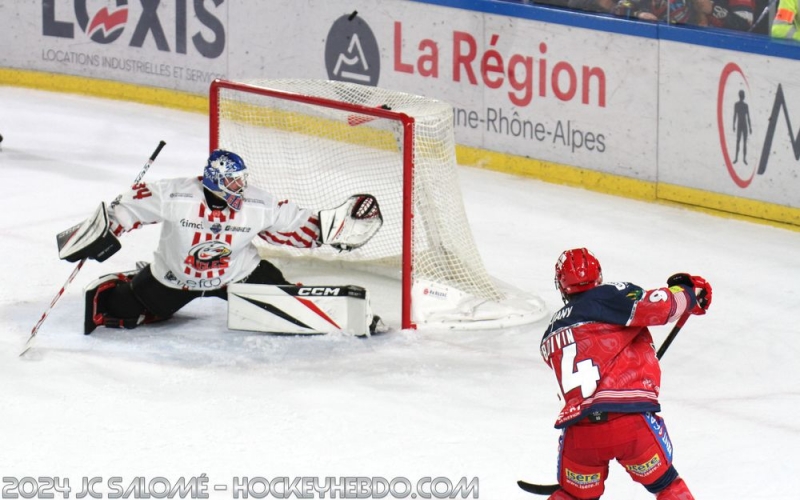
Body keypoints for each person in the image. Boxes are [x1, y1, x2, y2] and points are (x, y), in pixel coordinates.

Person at [62, 149, 381, 334]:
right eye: (232, 182)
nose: (239, 188)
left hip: (238, 275)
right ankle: (132, 280)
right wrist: (104, 230)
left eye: (241, 181)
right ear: (214, 182)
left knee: (289, 308)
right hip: (176, 278)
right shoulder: (175, 194)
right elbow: (127, 209)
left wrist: (331, 229)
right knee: (122, 311)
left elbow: (293, 223)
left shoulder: (259, 204)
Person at [540, 248, 712, 500]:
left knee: (573, 496)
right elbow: (659, 306)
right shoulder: (609, 295)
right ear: (598, 276)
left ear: (561, 285)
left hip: (581, 433)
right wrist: (688, 292)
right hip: (630, 423)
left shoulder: (550, 333)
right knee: (667, 487)